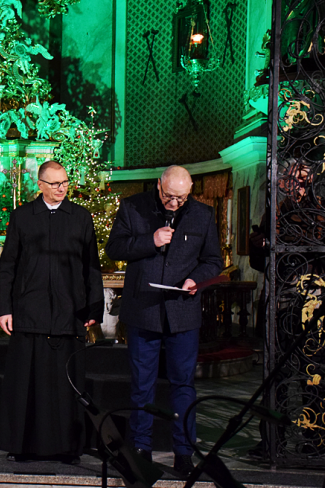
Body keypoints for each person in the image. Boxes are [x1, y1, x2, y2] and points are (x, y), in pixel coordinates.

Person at [104, 165, 222, 476]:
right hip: (144, 309)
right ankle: (140, 449)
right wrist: (150, 240)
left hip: (183, 312)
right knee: (142, 386)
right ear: (159, 186)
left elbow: (213, 261)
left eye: (181, 199)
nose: (174, 204)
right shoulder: (133, 206)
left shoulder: (203, 214)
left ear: (190, 190)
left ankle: (184, 452)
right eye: (169, 197)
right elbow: (114, 247)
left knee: (183, 386)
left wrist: (195, 279)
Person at [0, 160, 104, 463]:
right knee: (26, 385)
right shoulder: (22, 217)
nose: (61, 189)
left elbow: (91, 267)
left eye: (65, 183)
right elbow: (8, 267)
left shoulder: (80, 217)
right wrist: (5, 308)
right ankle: (23, 446)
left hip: (70, 314)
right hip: (31, 313)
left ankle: (68, 448)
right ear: (40, 184)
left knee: (66, 386)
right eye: (55, 184)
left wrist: (94, 309)